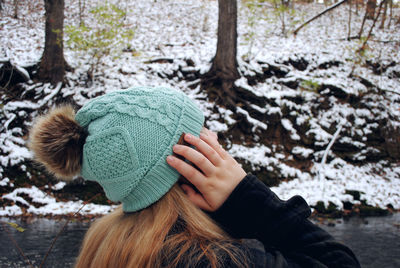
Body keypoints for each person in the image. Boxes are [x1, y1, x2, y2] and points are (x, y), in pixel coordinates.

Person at [28, 87, 360, 268]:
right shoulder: (208, 261)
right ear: (185, 166)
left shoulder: (109, 244)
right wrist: (249, 200)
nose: (214, 138)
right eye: (200, 136)